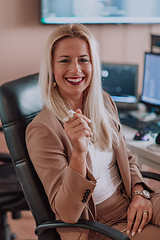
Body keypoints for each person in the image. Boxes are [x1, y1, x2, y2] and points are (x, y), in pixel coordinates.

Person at [25, 23, 160, 240]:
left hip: (129, 196)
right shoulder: (43, 129)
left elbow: (127, 158)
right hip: (95, 222)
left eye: (83, 59)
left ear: (94, 64)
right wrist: (78, 153)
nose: (75, 69)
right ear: (51, 67)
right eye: (64, 60)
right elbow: (67, 212)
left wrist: (139, 192)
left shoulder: (104, 102)